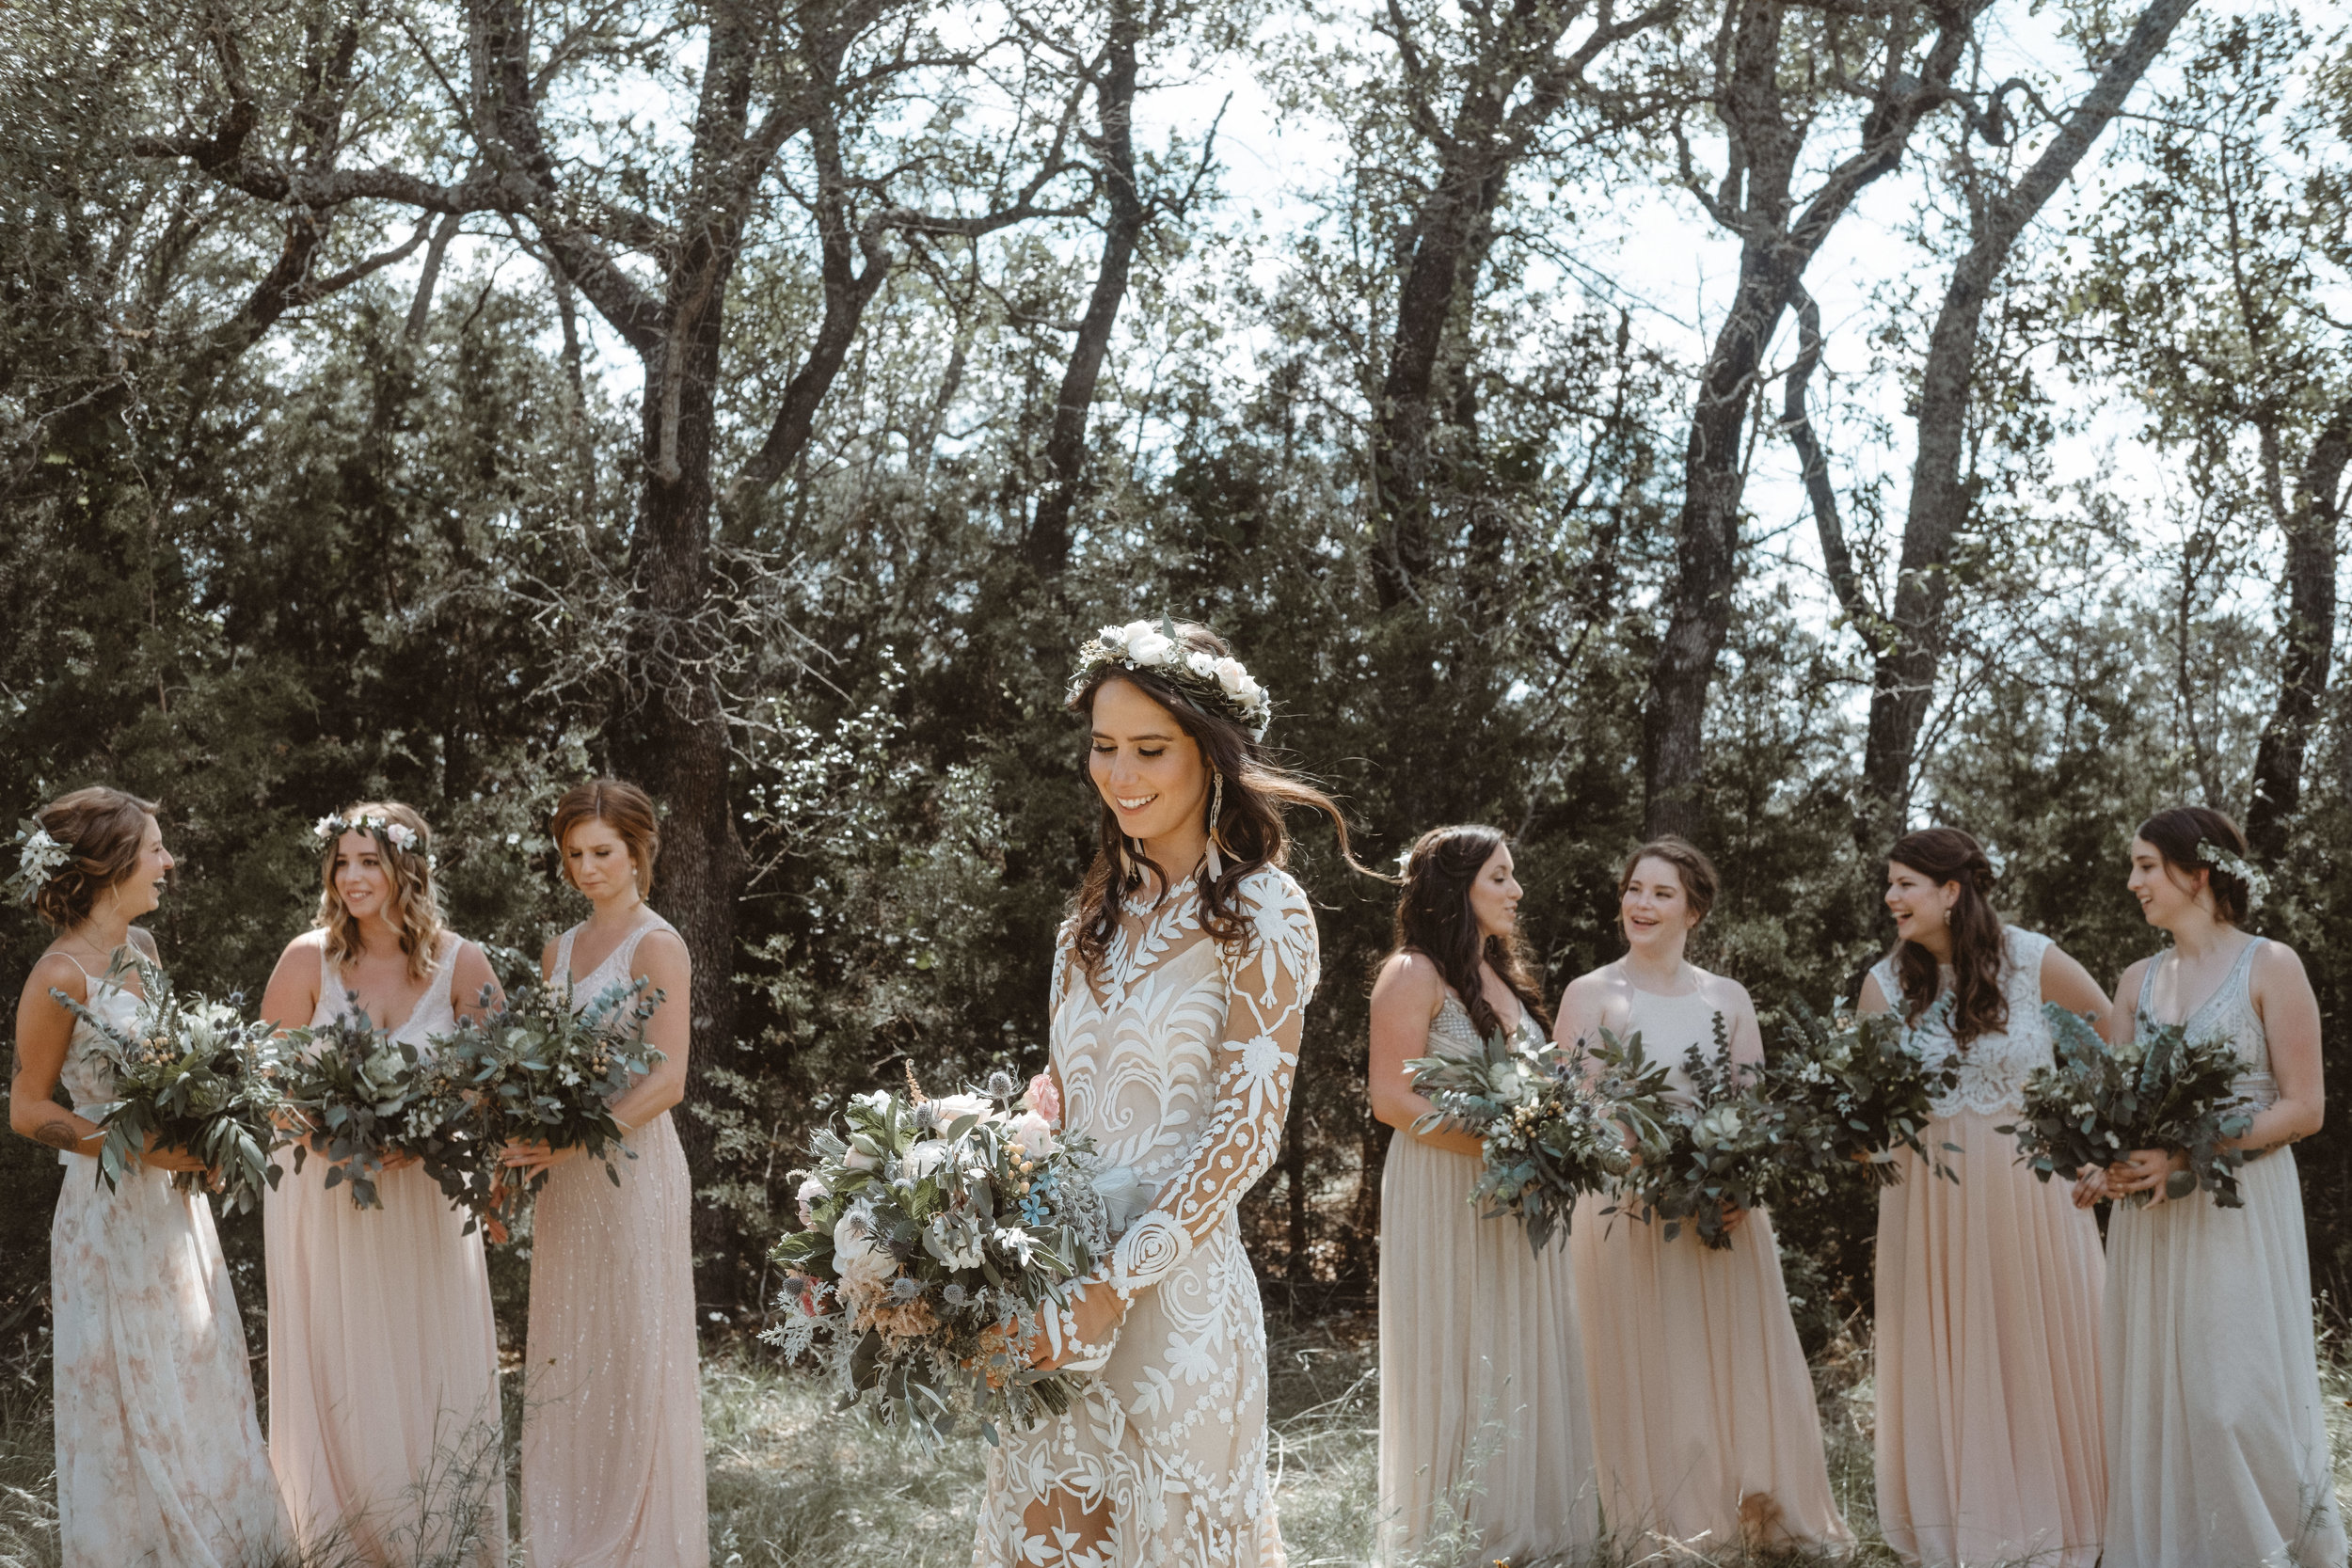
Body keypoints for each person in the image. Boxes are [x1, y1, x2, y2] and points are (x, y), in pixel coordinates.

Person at [971, 618, 1342, 1567]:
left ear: (1212, 755)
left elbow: (1246, 1131)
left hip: (1173, 1306)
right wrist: (1005, 1150)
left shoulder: (1264, 907)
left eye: (1149, 749)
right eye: (1103, 747)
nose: (1121, 772)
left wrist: (1113, 1288)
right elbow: (1070, 1094)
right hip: (1058, 1291)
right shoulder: (1083, 924)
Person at [7, 787, 290, 1568]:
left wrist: (206, 1122)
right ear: (110, 864)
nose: (170, 861)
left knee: (193, 1366)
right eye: (157, 849)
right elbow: (28, 1108)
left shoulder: (145, 953)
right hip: (106, 1209)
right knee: (128, 1382)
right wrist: (136, 1148)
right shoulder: (57, 974)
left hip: (172, 1207)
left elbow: (168, 1074)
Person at [1557, 836, 1851, 1557]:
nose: (1641, 904)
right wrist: (1634, 1151)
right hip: (1626, 1210)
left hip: (1721, 1210)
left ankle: (1754, 1507)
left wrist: (1739, 1187)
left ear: (1695, 908)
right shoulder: (1592, 994)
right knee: (1652, 1361)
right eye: (1633, 889)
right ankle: (1664, 1521)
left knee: (1730, 1361)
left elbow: (1750, 1108)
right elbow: (1570, 1107)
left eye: (1660, 893)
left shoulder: (1727, 997)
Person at [2086, 807, 2346, 1568]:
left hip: (2239, 1207)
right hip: (2154, 1216)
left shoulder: (2272, 965)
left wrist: (2189, 1156)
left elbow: (2306, 1107)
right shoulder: (2138, 979)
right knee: (2164, 1397)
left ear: (2197, 874)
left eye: (2145, 865)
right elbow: (2115, 1106)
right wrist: (2103, 1165)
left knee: (2231, 1400)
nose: (2132, 881)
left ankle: (2272, 1550)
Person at [259, 800, 507, 1566]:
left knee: (425, 1352)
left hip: (424, 1197)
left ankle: (440, 1537)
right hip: (326, 1196)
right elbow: (265, 1079)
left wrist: (432, 1128)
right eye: (343, 862)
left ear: (409, 868)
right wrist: (325, 1132)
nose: (354, 877)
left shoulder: (464, 965)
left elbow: (500, 1078)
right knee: (340, 1352)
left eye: (370, 861)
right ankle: (341, 1540)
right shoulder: (308, 958)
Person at [1861, 826, 2109, 1568]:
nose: (1891, 896)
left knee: (2033, 1341)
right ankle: (1962, 1521)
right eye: (1890, 883)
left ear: (1951, 890)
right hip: (1928, 1199)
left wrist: (2102, 1146)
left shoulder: (2032, 959)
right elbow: (1865, 1103)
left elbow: (2111, 1037)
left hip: (2031, 1189)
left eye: (1905, 882)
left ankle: (2067, 1515)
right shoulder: (1884, 984)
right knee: (1952, 1344)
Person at [1367, 824, 1597, 1563]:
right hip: (1444, 1185)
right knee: (1458, 1342)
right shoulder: (1411, 972)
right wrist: (1505, 1142)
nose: (1516, 890)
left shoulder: (1502, 977)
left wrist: (1548, 1139)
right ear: (1457, 886)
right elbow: (1392, 1099)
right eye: (1500, 876)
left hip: (1512, 1193)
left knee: (1514, 1340)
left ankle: (1521, 1526)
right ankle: (1459, 1532)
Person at [511, 779, 707, 1567]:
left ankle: (637, 1541)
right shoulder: (558, 950)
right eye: (573, 855)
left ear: (637, 851)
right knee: (572, 1344)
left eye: (601, 852)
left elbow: (668, 1082)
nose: (586, 868)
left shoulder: (657, 944)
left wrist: (571, 1143)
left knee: (633, 1343)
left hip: (631, 1171)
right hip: (566, 1180)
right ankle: (569, 1534)